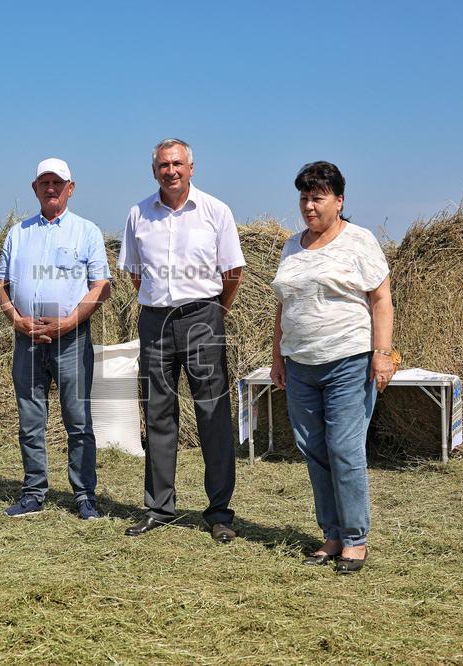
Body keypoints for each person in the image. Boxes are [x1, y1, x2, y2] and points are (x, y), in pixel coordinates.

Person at [270, 160, 395, 574]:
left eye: (318, 198)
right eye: (304, 197)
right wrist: (278, 358)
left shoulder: (359, 242)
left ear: (338, 201)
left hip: (347, 360)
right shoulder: (292, 246)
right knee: (314, 451)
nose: (309, 205)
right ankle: (332, 533)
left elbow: (381, 300)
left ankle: (356, 538)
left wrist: (382, 353)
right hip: (301, 363)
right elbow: (283, 306)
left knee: (344, 449)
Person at [118, 138, 245, 542]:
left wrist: (211, 313)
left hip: (203, 317)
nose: (170, 171)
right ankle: (159, 506)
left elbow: (232, 273)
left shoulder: (215, 211)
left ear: (191, 167)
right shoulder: (138, 214)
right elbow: (135, 274)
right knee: (157, 412)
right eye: (162, 165)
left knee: (212, 412)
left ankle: (219, 512)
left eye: (177, 164)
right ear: (153, 169)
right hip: (155, 321)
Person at [0, 158, 112, 520]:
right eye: (44, 182)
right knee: (30, 419)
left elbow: (101, 285)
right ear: (35, 188)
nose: (51, 189)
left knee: (78, 421)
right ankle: (33, 491)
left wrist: (68, 322)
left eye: (57, 183)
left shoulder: (86, 231)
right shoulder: (18, 233)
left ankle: (84, 495)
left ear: (70, 188)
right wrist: (16, 319)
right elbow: (1, 284)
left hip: (71, 339)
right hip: (27, 340)